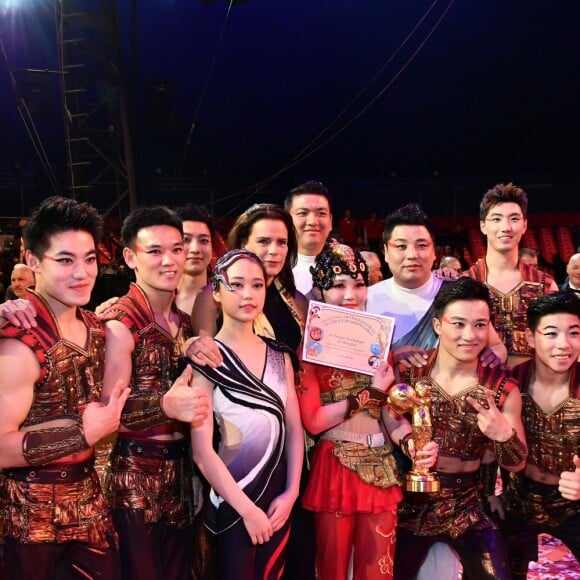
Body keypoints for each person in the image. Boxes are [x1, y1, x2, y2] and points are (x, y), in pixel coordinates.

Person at [0, 196, 130, 579]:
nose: (82, 272)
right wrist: (81, 433)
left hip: (92, 506)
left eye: (89, 259)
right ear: (34, 261)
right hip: (29, 518)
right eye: (65, 260)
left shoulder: (96, 327)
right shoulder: (18, 341)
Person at [298, 240, 438, 580]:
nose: (351, 294)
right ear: (319, 292)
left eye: (358, 284)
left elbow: (390, 412)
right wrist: (368, 393)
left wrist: (413, 445)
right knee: (331, 569)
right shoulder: (308, 348)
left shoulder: (379, 342)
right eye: (339, 285)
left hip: (382, 467)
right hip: (335, 465)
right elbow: (314, 421)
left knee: (378, 570)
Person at [192, 203, 314, 580]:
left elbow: (294, 430)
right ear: (216, 292)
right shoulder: (207, 358)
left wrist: (291, 492)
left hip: (278, 500)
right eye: (237, 285)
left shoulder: (281, 355)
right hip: (231, 504)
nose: (248, 294)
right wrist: (245, 509)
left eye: (257, 285)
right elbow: (201, 450)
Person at [99, 206, 212, 580]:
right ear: (130, 257)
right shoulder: (121, 322)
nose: (170, 260)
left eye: (177, 249)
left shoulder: (181, 319)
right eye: (155, 251)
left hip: (181, 471)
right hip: (134, 476)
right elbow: (108, 412)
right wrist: (164, 405)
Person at [393, 277, 527, 580]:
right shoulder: (411, 372)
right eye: (458, 324)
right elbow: (390, 413)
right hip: (409, 503)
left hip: (469, 503)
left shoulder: (502, 387)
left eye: (480, 325)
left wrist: (502, 434)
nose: (470, 335)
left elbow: (517, 462)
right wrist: (406, 441)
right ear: (438, 326)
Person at [498, 292, 580, 578]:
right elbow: (484, 440)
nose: (563, 345)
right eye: (551, 333)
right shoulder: (509, 382)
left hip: (574, 505)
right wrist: (488, 495)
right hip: (517, 497)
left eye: (573, 333)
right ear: (531, 339)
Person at [366, 203, 506, 364]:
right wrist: (391, 358)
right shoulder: (367, 299)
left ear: (434, 252)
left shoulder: (456, 294)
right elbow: (357, 367)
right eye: (401, 246)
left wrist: (489, 358)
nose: (412, 255)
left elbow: (497, 347)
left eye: (422, 246)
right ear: (386, 252)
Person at [465, 183, 559, 367]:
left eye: (514, 219)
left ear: (524, 225)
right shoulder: (465, 283)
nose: (506, 227)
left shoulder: (545, 285)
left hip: (534, 387)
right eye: (496, 219)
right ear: (483, 226)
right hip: (480, 387)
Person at [192, 203, 307, 350]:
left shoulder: (296, 299)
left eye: (281, 242)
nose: (274, 251)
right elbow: (205, 360)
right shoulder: (212, 296)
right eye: (263, 241)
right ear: (243, 244)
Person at [285, 180, 333, 299]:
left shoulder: (350, 266)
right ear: (286, 220)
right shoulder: (275, 266)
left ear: (331, 221)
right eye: (302, 213)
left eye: (321, 213)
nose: (312, 222)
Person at [174, 202, 214, 316]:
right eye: (186, 240)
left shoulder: (227, 300)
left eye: (204, 241)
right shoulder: (156, 302)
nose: (195, 249)